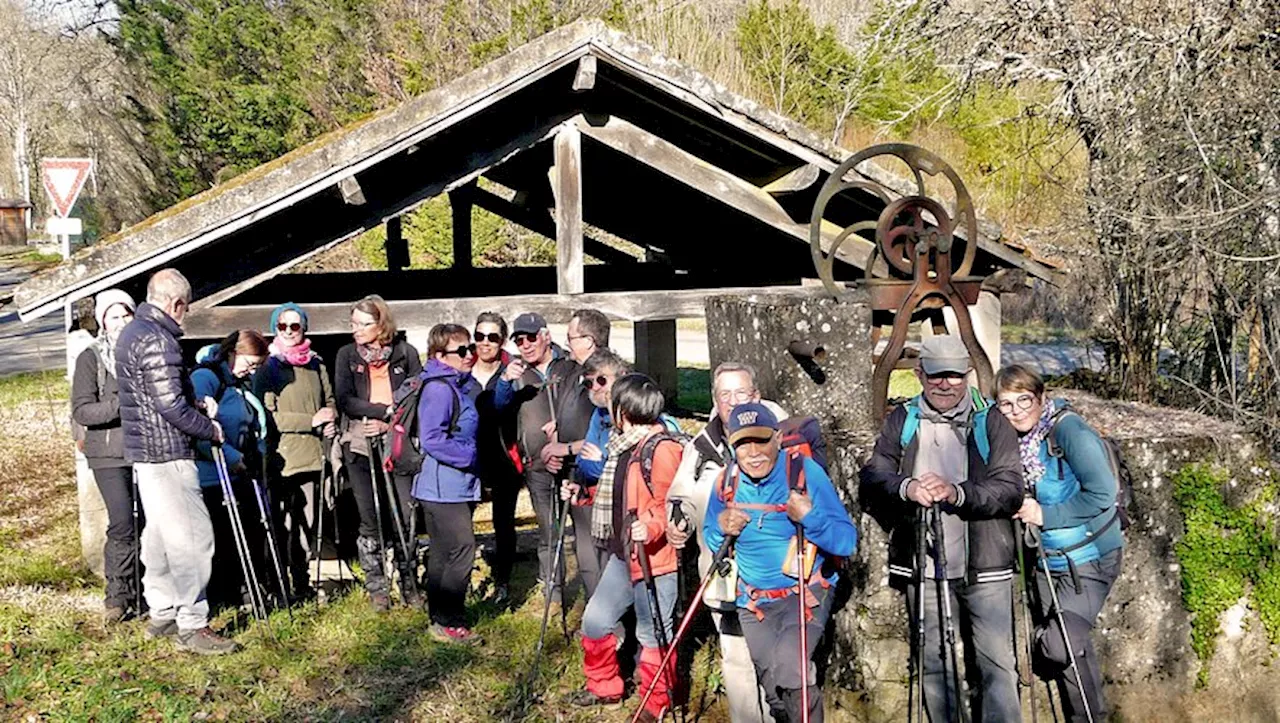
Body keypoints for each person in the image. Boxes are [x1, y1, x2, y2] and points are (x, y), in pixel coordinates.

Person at [859, 335, 1024, 723]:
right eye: (936, 375)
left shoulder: (991, 420)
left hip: (986, 565)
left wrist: (957, 493)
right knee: (934, 662)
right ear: (920, 375)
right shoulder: (902, 419)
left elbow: (1010, 489)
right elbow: (873, 477)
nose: (945, 384)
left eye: (954, 375)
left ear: (967, 373)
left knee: (998, 665)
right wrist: (908, 487)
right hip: (924, 564)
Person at [704, 402, 856, 723]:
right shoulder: (726, 482)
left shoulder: (803, 472)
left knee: (791, 669)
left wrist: (810, 518)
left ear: (777, 438)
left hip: (804, 593)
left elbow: (846, 540)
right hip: (753, 601)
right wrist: (721, 526)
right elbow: (711, 537)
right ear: (733, 445)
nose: (754, 452)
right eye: (744, 443)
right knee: (773, 689)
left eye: (761, 440)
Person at [116, 268, 236, 655]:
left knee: (160, 538)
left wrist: (195, 403)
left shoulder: (133, 332)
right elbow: (168, 406)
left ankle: (163, 610)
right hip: (166, 452)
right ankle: (192, 624)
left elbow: (156, 397)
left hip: (145, 452)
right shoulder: (159, 340)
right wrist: (210, 428)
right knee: (192, 539)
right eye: (185, 307)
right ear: (176, 303)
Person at [996, 364, 1123, 723]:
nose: (1017, 410)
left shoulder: (1069, 432)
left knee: (1058, 645)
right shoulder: (1017, 440)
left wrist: (1044, 515)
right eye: (1006, 404)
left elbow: (1103, 494)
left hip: (1090, 559)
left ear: (1041, 398)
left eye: (1024, 400)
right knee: (1073, 655)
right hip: (1047, 562)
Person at [667, 361, 787, 723]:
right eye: (725, 395)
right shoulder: (701, 447)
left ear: (757, 396)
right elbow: (681, 494)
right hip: (724, 574)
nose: (733, 402)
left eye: (741, 393)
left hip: (775, 578)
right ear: (715, 400)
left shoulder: (784, 437)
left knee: (778, 663)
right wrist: (679, 522)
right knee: (736, 659)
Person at [569, 374, 683, 722]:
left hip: (655, 560)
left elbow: (675, 507)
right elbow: (620, 497)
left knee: (653, 634)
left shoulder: (662, 449)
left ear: (622, 409)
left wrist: (649, 528)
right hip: (625, 554)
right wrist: (583, 496)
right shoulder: (622, 445)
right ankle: (605, 689)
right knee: (595, 621)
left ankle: (656, 703)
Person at [491, 310, 597, 610]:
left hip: (573, 463)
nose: (524, 345)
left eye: (530, 338)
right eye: (519, 340)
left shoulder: (569, 366)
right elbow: (499, 409)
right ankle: (553, 595)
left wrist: (563, 438)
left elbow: (589, 403)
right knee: (549, 534)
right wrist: (503, 382)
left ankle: (594, 595)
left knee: (584, 533)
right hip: (536, 465)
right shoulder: (516, 372)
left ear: (546, 336)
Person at [334, 295, 423, 611]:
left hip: (397, 441)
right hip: (360, 444)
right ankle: (378, 588)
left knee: (403, 513)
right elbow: (344, 398)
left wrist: (388, 419)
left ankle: (410, 582)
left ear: (380, 324)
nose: (355, 329)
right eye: (353, 322)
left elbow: (415, 394)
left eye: (362, 323)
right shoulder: (346, 355)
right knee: (370, 516)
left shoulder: (405, 353)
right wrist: (381, 410)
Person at [253, 302, 337, 602]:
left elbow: (329, 402)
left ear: (304, 329)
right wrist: (310, 421)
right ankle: (277, 586)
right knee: (281, 526)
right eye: (281, 326)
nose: (288, 331)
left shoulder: (316, 364)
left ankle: (302, 586)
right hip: (281, 458)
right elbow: (266, 416)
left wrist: (329, 422)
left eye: (294, 326)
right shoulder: (267, 367)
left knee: (307, 527)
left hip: (313, 458)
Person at [412, 323, 482, 644]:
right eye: (462, 351)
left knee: (442, 551)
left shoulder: (454, 384)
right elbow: (431, 439)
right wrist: (469, 455)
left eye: (471, 348)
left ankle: (438, 617)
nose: (470, 355)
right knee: (462, 548)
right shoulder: (440, 389)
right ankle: (450, 619)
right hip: (444, 487)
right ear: (440, 355)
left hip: (447, 485)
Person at [71, 289, 138, 624]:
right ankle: (118, 595)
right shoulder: (91, 358)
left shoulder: (143, 354)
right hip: (109, 454)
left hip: (146, 450)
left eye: (126, 314)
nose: (122, 322)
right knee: (124, 521)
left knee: (151, 523)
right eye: (114, 316)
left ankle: (149, 592)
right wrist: (121, 405)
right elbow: (82, 411)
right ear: (102, 322)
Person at [192, 330, 270, 611]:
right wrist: (231, 456)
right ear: (231, 352)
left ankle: (247, 590)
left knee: (249, 533)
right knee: (221, 538)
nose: (251, 370)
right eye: (249, 363)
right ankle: (219, 598)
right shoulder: (207, 377)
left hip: (240, 471)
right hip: (212, 474)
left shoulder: (240, 384)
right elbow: (198, 429)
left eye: (256, 366)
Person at [470, 311, 520, 603]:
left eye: (492, 337)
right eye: (479, 336)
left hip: (503, 455)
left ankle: (503, 581)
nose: (484, 343)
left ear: (502, 341)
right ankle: (463, 575)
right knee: (463, 520)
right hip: (469, 456)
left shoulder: (513, 372)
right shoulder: (462, 369)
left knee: (504, 522)